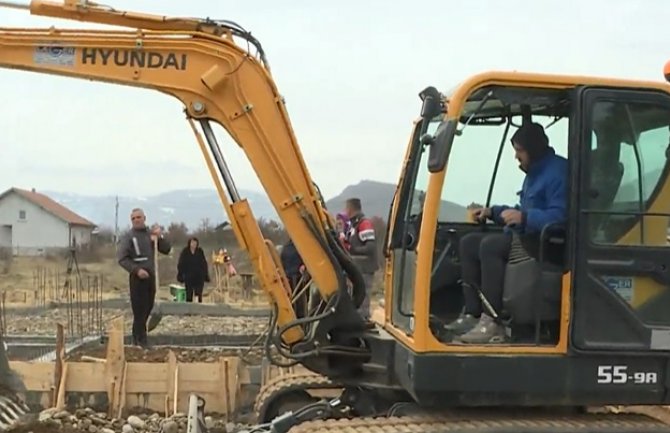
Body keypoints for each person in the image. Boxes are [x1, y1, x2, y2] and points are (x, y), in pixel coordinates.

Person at [446, 122, 568, 344]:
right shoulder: (534, 172)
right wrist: (493, 212)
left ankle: (493, 322)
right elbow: (523, 210)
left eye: (519, 151)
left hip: (548, 244)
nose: (516, 157)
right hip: (527, 236)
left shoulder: (558, 173)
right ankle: (473, 314)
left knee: (490, 246)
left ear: (534, 149)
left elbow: (561, 217)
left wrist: (526, 218)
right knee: (469, 243)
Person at [117, 208, 171, 349]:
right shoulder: (128, 237)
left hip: (151, 277)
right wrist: (136, 270)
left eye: (139, 217)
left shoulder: (150, 235)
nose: (136, 220)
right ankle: (141, 340)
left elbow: (166, 249)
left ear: (144, 218)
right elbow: (122, 259)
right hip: (137, 279)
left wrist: (160, 237)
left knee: (148, 308)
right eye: (133, 218)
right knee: (139, 311)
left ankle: (137, 338)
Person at [344, 198, 378, 321]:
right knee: (356, 296)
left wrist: (352, 249)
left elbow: (370, 247)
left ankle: (363, 320)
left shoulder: (364, 224)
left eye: (346, 208)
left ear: (350, 209)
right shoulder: (354, 226)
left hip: (365, 268)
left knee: (363, 298)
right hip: (357, 268)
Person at [176, 237, 210, 303]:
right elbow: (181, 263)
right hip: (188, 276)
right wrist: (181, 274)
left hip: (199, 276)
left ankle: (198, 308)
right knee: (189, 294)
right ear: (189, 243)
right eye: (192, 243)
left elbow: (203, 263)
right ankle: (189, 308)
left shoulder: (200, 251)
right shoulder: (185, 251)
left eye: (195, 243)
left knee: (198, 293)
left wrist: (205, 274)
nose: (194, 244)